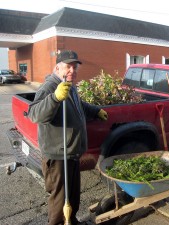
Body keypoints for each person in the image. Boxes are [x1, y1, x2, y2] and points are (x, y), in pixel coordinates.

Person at [28, 50, 108, 225]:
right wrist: (55, 98)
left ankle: (70, 221)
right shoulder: (50, 86)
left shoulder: (69, 84)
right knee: (60, 200)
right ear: (57, 67)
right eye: (68, 66)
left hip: (71, 152)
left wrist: (95, 111)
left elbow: (79, 105)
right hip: (58, 155)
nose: (72, 70)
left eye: (75, 66)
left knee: (72, 195)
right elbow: (35, 114)